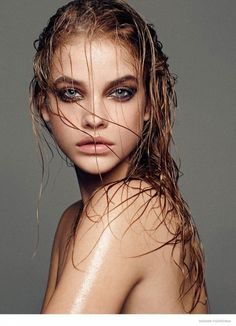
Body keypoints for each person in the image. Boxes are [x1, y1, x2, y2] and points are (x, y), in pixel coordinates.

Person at [30, 0, 208, 314]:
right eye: (71, 93)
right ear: (43, 104)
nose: (94, 117)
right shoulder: (71, 220)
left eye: (120, 92)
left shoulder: (127, 209)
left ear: (150, 103)